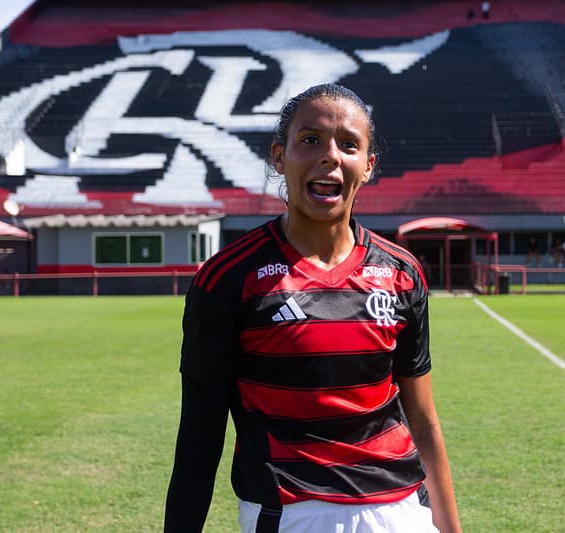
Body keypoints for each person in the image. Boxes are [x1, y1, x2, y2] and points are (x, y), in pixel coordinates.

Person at [164, 83, 462, 533]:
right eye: (310, 140)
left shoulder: (402, 273)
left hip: (402, 509)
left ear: (368, 166)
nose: (330, 156)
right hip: (291, 514)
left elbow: (423, 421)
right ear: (279, 157)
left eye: (349, 145)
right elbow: (199, 438)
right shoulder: (228, 278)